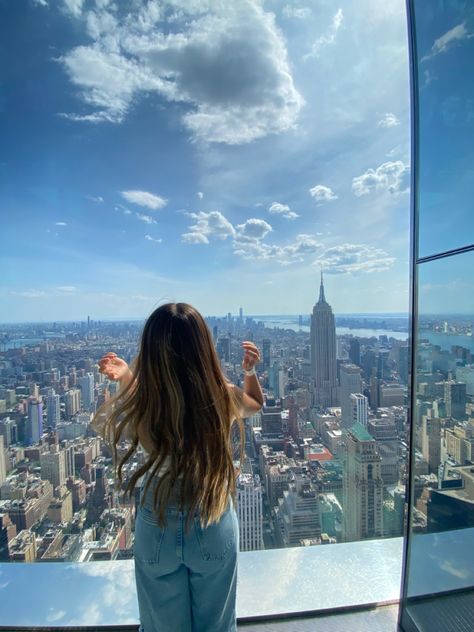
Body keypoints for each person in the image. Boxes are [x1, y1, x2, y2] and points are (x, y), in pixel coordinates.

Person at [95, 302, 263, 632]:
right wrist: (249, 372)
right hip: (211, 515)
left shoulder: (143, 402)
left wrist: (126, 376)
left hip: (156, 520)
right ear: (204, 348)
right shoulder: (219, 396)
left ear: (150, 353)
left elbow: (114, 414)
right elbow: (254, 405)